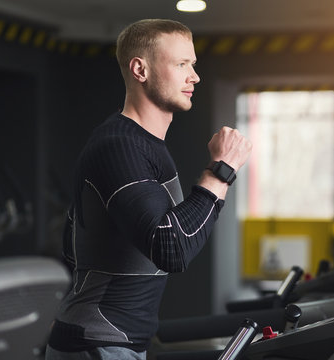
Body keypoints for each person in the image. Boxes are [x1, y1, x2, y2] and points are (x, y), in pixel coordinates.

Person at [45, 19, 252, 360]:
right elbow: (171, 247)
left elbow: (75, 244)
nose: (194, 76)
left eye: (194, 65)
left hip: (115, 342)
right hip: (96, 345)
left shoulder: (145, 146)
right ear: (140, 69)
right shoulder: (118, 146)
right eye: (181, 64)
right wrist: (222, 170)